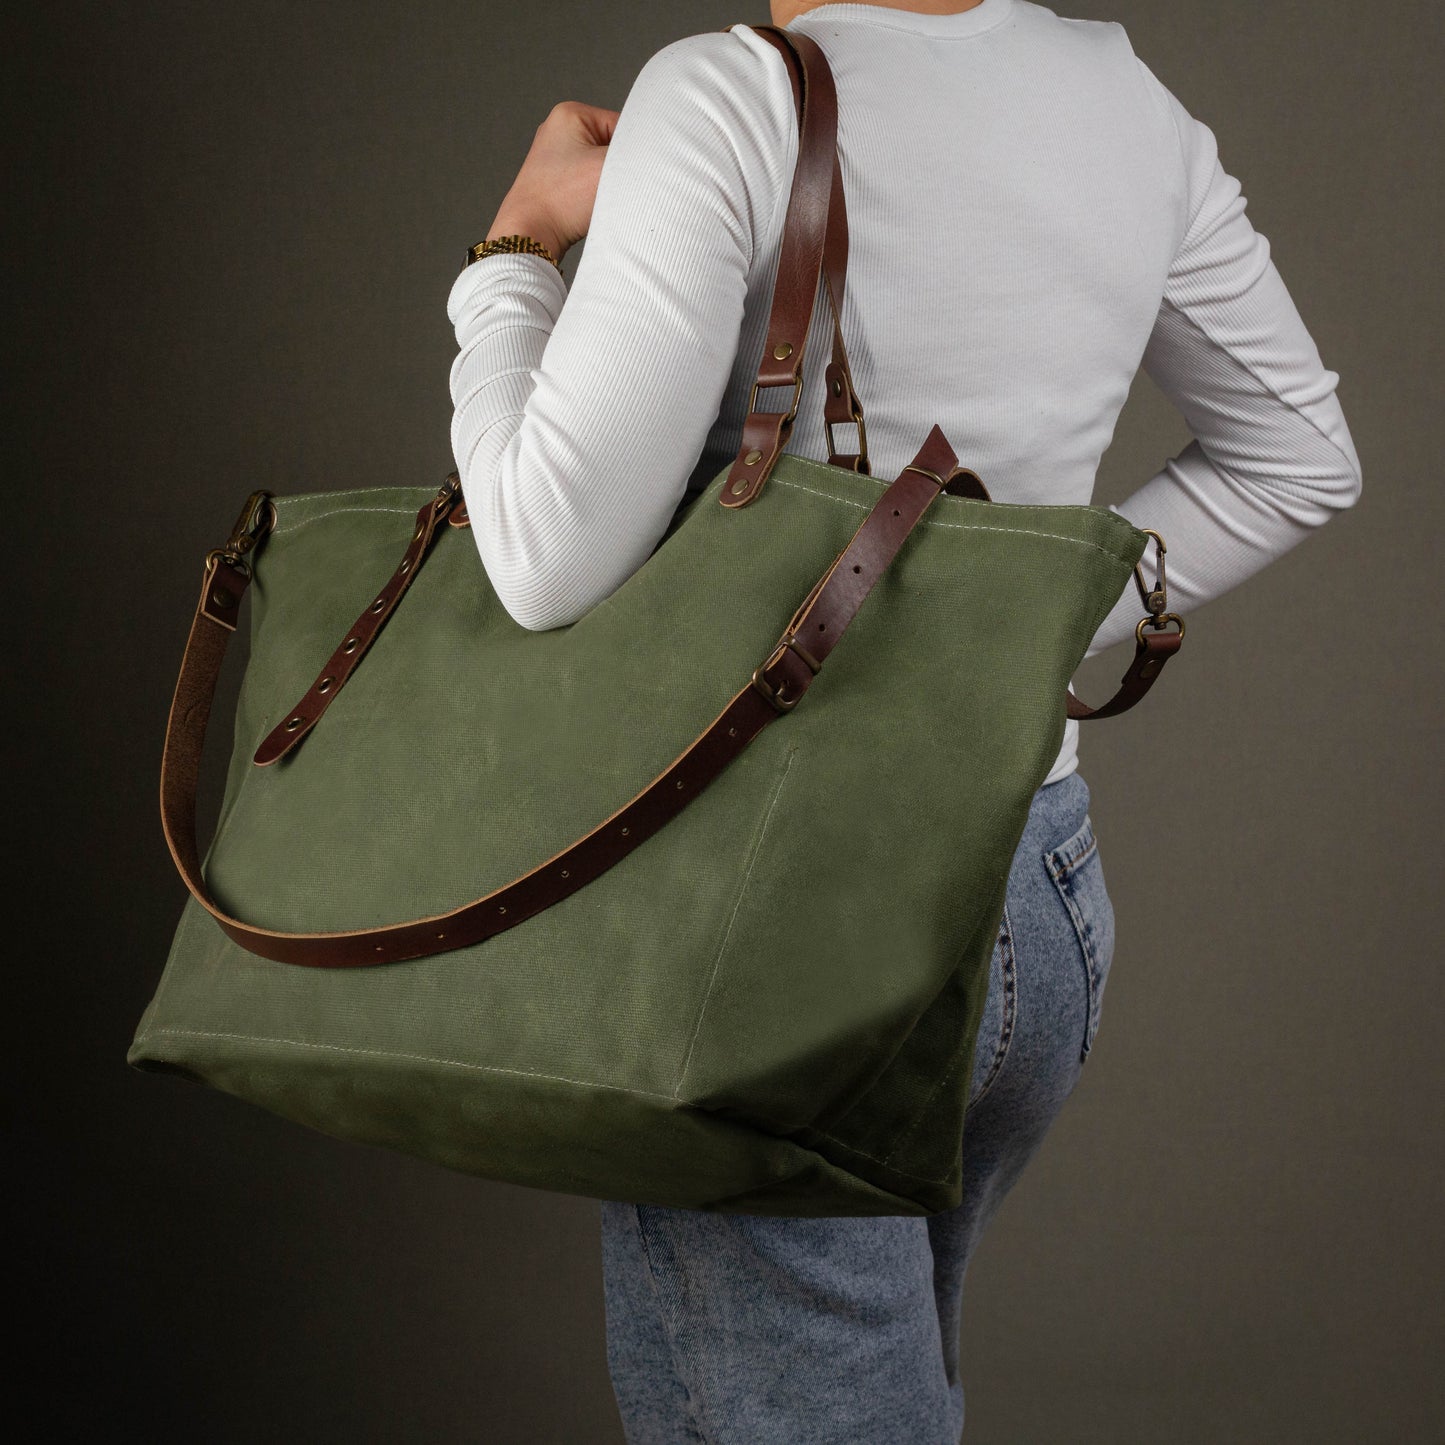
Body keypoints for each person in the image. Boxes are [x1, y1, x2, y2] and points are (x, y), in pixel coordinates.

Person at [446, 1, 1363, 1438]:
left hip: (770, 918)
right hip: (1032, 893)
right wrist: (988, 639)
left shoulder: (726, 94)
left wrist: (512, 255)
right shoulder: (1123, 98)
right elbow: (1297, 454)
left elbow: (541, 556)